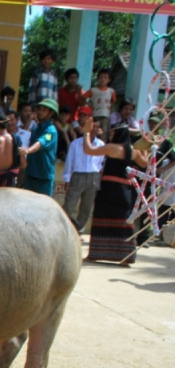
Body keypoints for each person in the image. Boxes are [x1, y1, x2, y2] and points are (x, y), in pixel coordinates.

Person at [81, 118, 148, 266]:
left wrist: (86, 133)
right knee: (124, 221)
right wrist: (145, 147)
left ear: (118, 134)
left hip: (109, 189)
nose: (110, 135)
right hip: (125, 190)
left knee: (102, 217)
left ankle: (95, 254)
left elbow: (88, 150)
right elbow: (145, 163)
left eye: (112, 133)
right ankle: (126, 257)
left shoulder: (112, 147)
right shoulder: (134, 151)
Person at [62, 121, 105, 232]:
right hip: (78, 176)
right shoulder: (76, 144)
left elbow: (100, 163)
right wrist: (67, 179)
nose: (94, 129)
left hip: (93, 177)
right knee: (69, 205)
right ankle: (63, 229)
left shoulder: (101, 145)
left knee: (86, 207)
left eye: (97, 127)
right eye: (92, 126)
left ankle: (78, 230)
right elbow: (69, 162)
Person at [20, 98, 59, 196]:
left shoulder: (51, 131)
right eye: (39, 109)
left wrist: (28, 150)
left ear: (51, 113)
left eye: (44, 110)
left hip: (44, 179)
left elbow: (40, 143)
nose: (40, 112)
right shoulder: (35, 129)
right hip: (30, 176)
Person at [84, 69, 115, 142]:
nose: (103, 79)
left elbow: (113, 100)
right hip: (95, 115)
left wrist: (109, 105)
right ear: (97, 78)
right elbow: (83, 98)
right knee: (93, 131)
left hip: (105, 116)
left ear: (109, 80)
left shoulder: (111, 91)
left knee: (104, 133)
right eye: (101, 77)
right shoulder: (93, 90)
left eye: (105, 77)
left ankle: (102, 149)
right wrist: (89, 106)